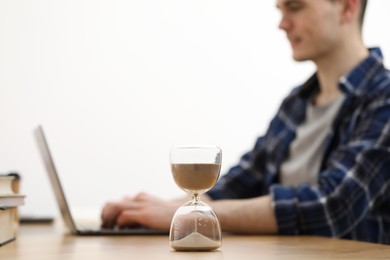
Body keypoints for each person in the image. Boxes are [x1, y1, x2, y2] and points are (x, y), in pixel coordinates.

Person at [101, 0, 390, 244]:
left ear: (347, 8)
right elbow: (238, 186)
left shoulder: (383, 99)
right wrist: (147, 211)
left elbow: (332, 205)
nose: (282, 23)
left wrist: (193, 215)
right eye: (280, 10)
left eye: (294, 7)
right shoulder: (297, 103)